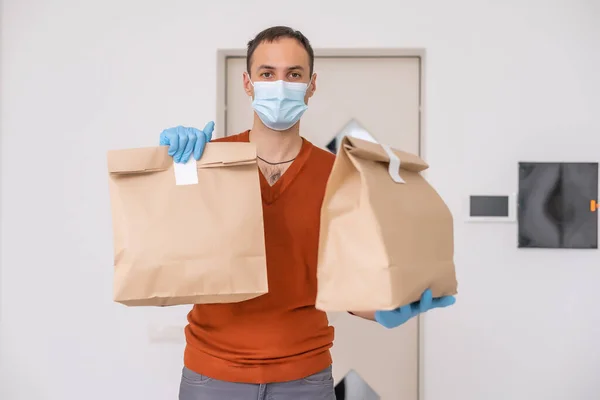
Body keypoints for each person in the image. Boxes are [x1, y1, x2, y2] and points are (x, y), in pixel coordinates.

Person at [159, 26, 456, 400]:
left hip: (303, 381)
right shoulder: (209, 161)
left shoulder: (339, 176)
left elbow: (346, 286)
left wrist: (389, 307)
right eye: (267, 74)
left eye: (293, 75)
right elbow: (170, 249)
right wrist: (175, 168)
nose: (280, 85)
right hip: (212, 377)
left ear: (311, 85)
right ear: (248, 83)